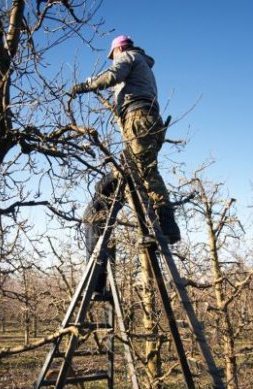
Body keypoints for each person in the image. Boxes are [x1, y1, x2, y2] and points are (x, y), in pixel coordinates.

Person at [70, 35, 181, 244]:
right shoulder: (143, 67)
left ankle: (167, 226)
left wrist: (85, 86)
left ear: (118, 49)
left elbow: (112, 75)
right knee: (134, 171)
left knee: (145, 170)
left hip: (138, 118)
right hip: (147, 120)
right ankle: (152, 227)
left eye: (113, 56)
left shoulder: (128, 57)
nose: (112, 59)